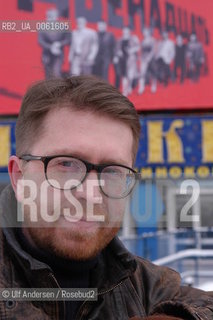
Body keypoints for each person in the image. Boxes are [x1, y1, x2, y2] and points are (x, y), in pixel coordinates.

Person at [0, 76, 213, 320]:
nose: (90, 193)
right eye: (66, 164)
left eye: (112, 171)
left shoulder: (144, 288)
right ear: (19, 177)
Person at [38, 8, 70, 78]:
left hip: (58, 54)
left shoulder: (63, 27)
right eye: (49, 17)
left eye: (53, 17)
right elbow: (40, 41)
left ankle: (58, 88)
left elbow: (68, 40)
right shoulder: (42, 27)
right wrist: (50, 47)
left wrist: (60, 44)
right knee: (48, 74)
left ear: (57, 17)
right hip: (47, 55)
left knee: (56, 73)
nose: (51, 19)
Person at [114, 26, 140, 96]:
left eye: (127, 31)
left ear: (129, 31)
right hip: (123, 59)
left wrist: (132, 50)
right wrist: (118, 54)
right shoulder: (119, 39)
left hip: (131, 59)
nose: (125, 32)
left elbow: (138, 47)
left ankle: (129, 86)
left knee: (130, 75)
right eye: (124, 31)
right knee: (124, 75)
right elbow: (117, 49)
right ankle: (125, 91)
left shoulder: (133, 38)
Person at [138, 28, 157, 94]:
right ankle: (141, 88)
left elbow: (153, 50)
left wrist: (149, 57)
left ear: (148, 32)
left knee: (152, 73)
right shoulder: (143, 40)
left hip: (151, 59)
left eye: (146, 31)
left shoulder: (152, 40)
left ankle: (153, 86)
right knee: (142, 73)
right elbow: (141, 50)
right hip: (143, 59)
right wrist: (140, 57)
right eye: (144, 32)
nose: (144, 33)